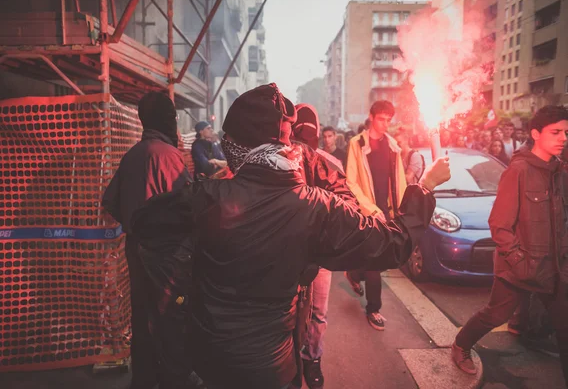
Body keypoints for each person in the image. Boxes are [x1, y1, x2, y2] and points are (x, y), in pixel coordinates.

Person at [138, 83, 450, 389]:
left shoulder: (205, 197)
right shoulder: (317, 207)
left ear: (240, 148)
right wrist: (424, 188)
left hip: (210, 360)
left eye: (229, 141)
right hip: (273, 367)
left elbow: (147, 228)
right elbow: (394, 244)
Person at [451, 105, 568, 386]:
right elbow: (500, 225)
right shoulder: (518, 171)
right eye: (556, 132)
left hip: (554, 268)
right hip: (520, 268)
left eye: (566, 132)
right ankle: (460, 345)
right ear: (536, 134)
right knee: (495, 314)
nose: (563, 137)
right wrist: (519, 261)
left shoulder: (559, 171)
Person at [101, 91, 193, 389]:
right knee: (170, 315)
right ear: (167, 119)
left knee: (141, 314)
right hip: (166, 255)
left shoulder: (133, 154)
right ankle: (171, 380)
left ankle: (143, 378)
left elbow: (110, 201)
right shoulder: (166, 155)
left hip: (135, 248)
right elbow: (189, 205)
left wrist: (134, 220)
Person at [291, 103, 354, 389]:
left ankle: (312, 357)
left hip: (321, 255)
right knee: (288, 310)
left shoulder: (330, 163)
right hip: (287, 251)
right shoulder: (281, 160)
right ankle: (290, 359)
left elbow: (346, 207)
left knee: (318, 311)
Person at [344, 100, 407, 331]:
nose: (385, 124)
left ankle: (353, 272)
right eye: (382, 119)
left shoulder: (393, 146)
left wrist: (401, 209)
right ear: (371, 117)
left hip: (386, 211)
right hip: (366, 211)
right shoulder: (356, 144)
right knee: (375, 261)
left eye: (389, 120)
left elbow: (399, 180)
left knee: (380, 260)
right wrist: (370, 209)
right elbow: (351, 181)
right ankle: (374, 309)